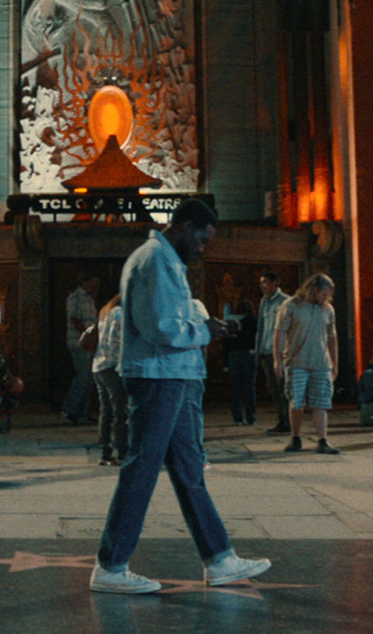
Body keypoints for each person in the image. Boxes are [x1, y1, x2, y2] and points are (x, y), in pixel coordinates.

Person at [91, 200, 270, 595]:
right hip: (158, 376)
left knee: (189, 470)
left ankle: (220, 558)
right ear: (185, 226)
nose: (204, 249)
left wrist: (204, 328)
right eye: (202, 240)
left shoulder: (163, 258)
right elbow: (162, 328)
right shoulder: (155, 259)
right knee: (141, 468)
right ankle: (111, 565)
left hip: (172, 376)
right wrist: (205, 329)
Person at [275, 273, 340, 454]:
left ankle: (323, 440)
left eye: (328, 295)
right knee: (296, 402)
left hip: (320, 362)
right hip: (297, 361)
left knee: (321, 403)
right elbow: (280, 332)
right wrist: (277, 359)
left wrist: (335, 363)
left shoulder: (328, 310)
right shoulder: (292, 306)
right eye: (323, 294)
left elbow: (332, 337)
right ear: (313, 290)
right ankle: (295, 438)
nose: (325, 298)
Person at [256, 271, 293, 434]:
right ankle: (282, 421)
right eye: (261, 283)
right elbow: (261, 327)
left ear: (275, 283)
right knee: (273, 389)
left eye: (266, 282)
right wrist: (258, 350)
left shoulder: (285, 301)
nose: (263, 286)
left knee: (284, 388)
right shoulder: (264, 301)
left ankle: (290, 422)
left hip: (281, 352)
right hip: (266, 350)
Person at [93, 295, 128, 465]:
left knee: (106, 412)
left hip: (99, 366)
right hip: (113, 367)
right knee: (120, 412)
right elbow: (121, 342)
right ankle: (122, 452)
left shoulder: (105, 313)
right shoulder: (121, 315)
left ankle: (105, 453)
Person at [63, 274, 101, 423]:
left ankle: (82, 413)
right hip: (79, 343)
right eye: (94, 282)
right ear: (86, 281)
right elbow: (74, 318)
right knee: (83, 376)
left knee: (88, 378)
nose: (96, 286)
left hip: (89, 344)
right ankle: (70, 409)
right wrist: (87, 335)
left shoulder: (90, 299)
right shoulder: (75, 297)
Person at [223, 298, 258, 425]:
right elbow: (256, 337)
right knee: (250, 387)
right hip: (248, 353)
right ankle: (251, 417)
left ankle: (237, 417)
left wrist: (225, 362)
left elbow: (226, 341)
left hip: (234, 355)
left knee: (236, 387)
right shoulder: (253, 320)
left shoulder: (231, 320)